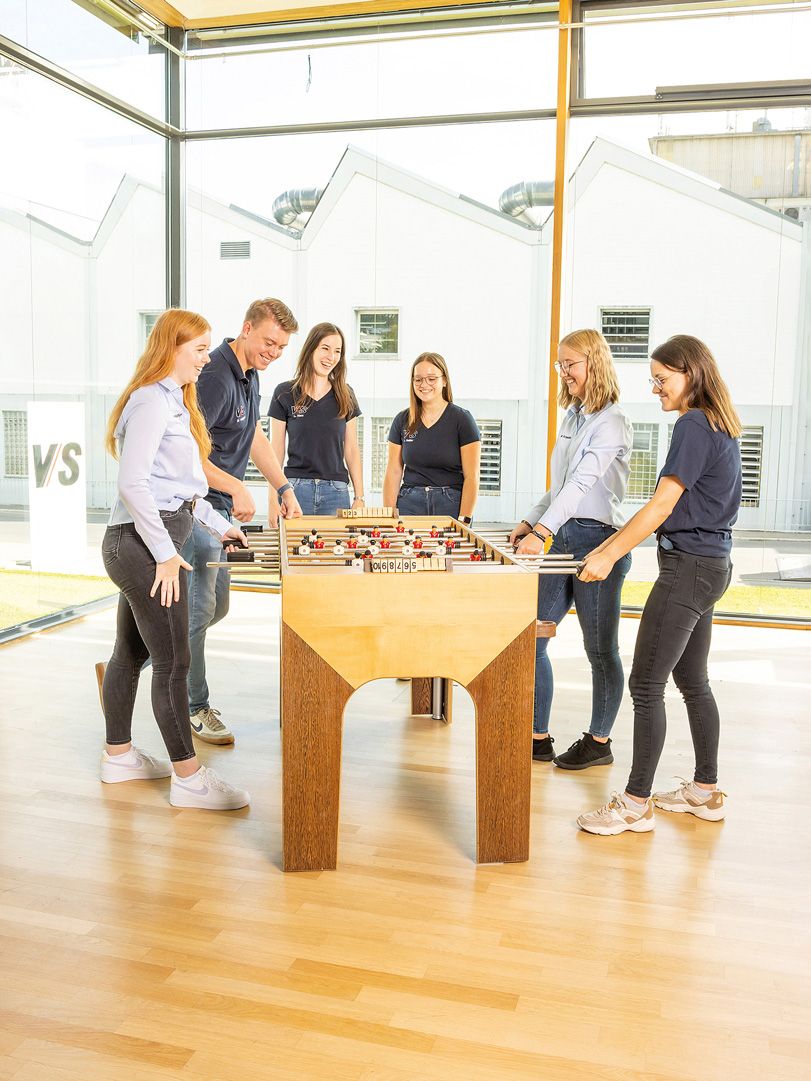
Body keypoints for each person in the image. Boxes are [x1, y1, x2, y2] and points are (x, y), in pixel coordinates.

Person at [576, 334, 742, 836]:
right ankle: (705, 791)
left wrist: (607, 552)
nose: (655, 389)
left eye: (661, 379)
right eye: (653, 380)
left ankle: (634, 804)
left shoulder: (693, 424)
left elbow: (662, 505)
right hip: (713, 567)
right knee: (692, 681)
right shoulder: (722, 424)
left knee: (646, 684)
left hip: (688, 570)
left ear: (690, 373)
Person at [100, 308, 250, 810]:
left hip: (148, 540)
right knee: (173, 661)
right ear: (172, 349)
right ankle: (189, 780)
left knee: (132, 652)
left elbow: (181, 492)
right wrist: (165, 555)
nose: (207, 360)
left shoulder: (174, 403)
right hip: (143, 545)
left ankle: (117, 756)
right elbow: (133, 484)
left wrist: (222, 525)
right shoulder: (149, 402)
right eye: (200, 350)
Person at [509, 329, 632, 770]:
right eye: (560, 364)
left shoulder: (612, 421)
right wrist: (531, 520)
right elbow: (561, 485)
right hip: (561, 534)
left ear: (594, 363)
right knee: (533, 634)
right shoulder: (574, 417)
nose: (563, 372)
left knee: (600, 651)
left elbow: (583, 486)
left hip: (596, 541)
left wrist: (540, 531)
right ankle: (537, 738)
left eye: (570, 364)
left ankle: (599, 741)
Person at [186, 297, 302, 746]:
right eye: (269, 342)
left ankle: (128, 665)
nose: (273, 352)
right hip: (197, 506)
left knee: (218, 608)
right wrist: (235, 487)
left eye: (281, 347)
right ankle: (196, 707)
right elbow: (189, 454)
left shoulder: (249, 374)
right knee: (198, 612)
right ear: (247, 328)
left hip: (221, 510)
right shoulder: (215, 375)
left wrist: (283, 487)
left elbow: (252, 434)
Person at [267, 322, 364, 517]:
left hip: (336, 492)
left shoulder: (346, 394)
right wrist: (272, 499)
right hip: (294, 490)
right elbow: (275, 451)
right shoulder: (284, 393)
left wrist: (359, 498)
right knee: (293, 548)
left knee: (333, 548)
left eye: (337, 351)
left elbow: (352, 449)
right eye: (325, 348)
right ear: (311, 349)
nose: (331, 357)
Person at [383, 352, 480, 521]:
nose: (424, 384)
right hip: (409, 503)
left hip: (450, 503)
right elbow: (393, 471)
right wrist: (389, 514)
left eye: (431, 378)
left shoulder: (462, 419)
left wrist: (465, 519)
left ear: (444, 381)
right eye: (418, 379)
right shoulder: (402, 420)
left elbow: (472, 477)